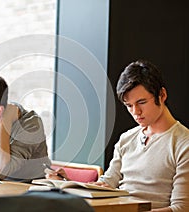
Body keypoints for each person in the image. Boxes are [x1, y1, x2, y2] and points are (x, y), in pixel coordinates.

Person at [46, 60, 189, 211]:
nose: (136, 112)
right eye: (129, 106)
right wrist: (67, 183)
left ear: (162, 95)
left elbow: (181, 208)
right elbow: (107, 184)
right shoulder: (126, 139)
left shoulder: (183, 144)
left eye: (142, 102)